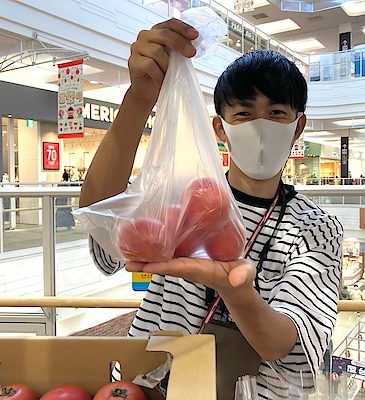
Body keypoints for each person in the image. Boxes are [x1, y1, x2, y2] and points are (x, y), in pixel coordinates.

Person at [79, 19, 343, 399]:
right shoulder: (181, 197)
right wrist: (138, 100)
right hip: (153, 387)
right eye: (244, 114)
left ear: (297, 127)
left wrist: (236, 291)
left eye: (276, 114)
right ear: (220, 129)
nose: (260, 128)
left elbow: (286, 345)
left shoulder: (316, 228)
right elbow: (104, 236)